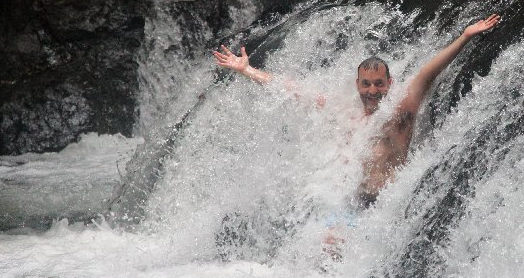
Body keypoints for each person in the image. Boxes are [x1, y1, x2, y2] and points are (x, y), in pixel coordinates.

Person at [213, 13, 501, 209]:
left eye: (378, 84)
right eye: (366, 84)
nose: (372, 91)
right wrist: (248, 70)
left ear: (390, 84)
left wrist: (465, 37)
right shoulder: (344, 111)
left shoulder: (400, 112)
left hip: (385, 205)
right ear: (358, 84)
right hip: (352, 201)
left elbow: (426, 75)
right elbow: (293, 89)